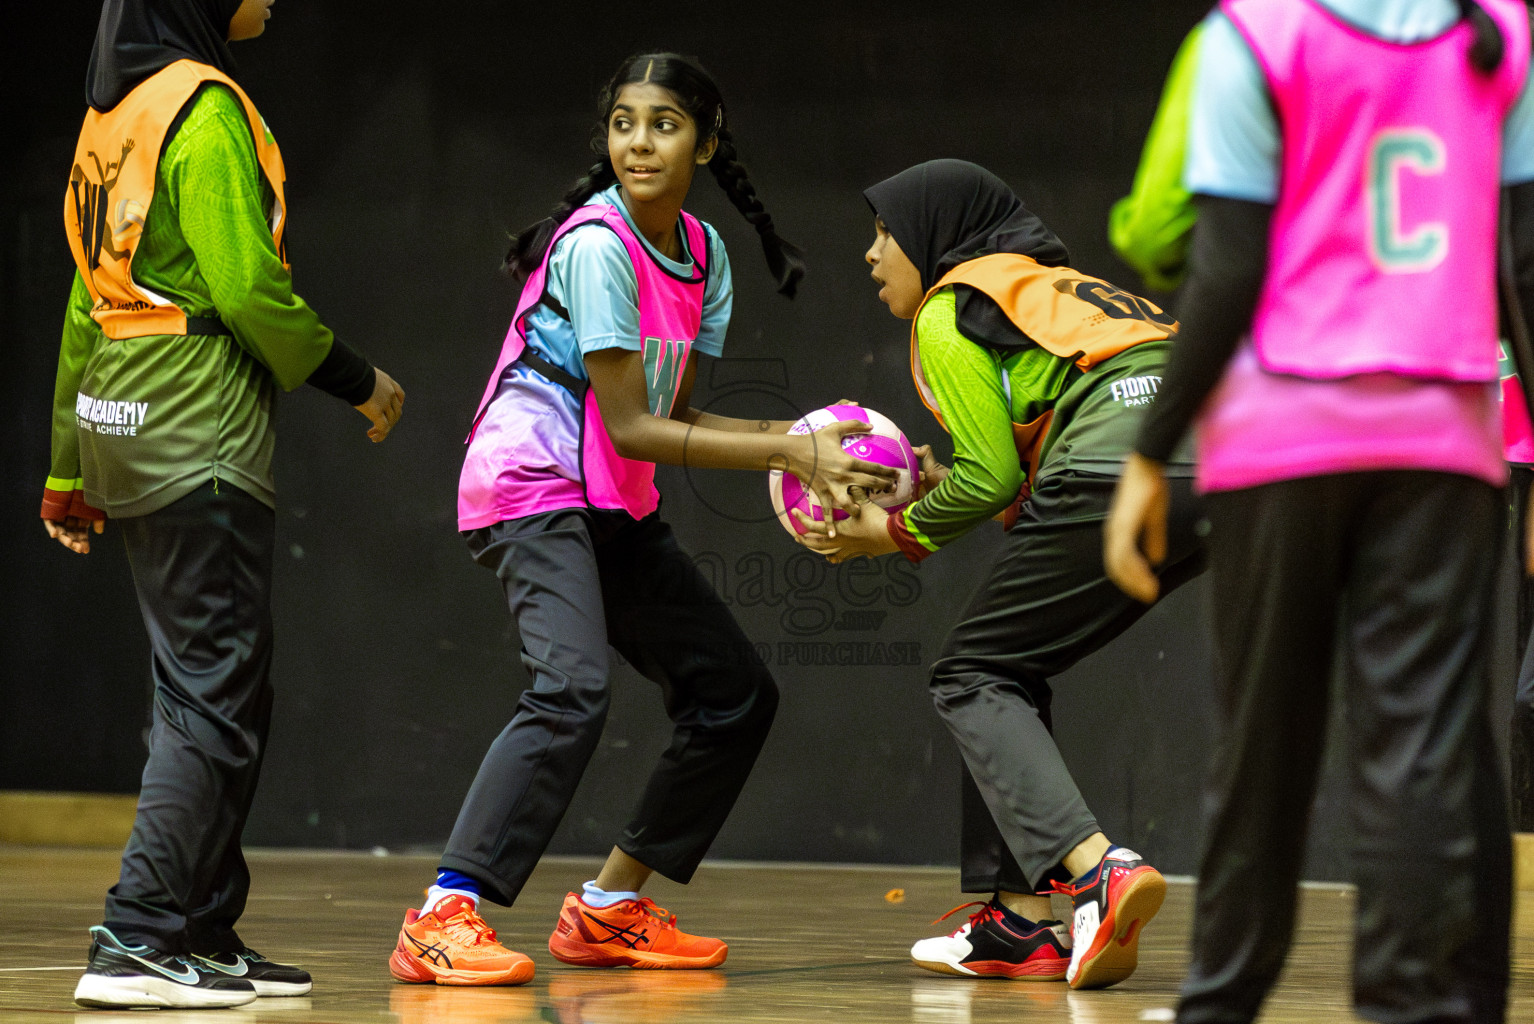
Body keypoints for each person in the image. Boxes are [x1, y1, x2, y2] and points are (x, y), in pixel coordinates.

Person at [386, 52, 897, 986]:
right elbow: (630, 421)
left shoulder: (704, 254)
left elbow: (677, 418)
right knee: (571, 686)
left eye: (663, 124)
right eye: (624, 123)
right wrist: (788, 451)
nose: (639, 143)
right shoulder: (595, 245)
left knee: (736, 694)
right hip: (531, 482)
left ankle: (611, 907)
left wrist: (810, 438)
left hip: (611, 496)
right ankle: (441, 914)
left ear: (705, 142)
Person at [1104, 0, 1534, 1020]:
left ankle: (1221, 1000)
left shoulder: (1249, 37)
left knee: (1262, 737)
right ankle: (1412, 1002)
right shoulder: (1505, 35)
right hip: (1442, 441)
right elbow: (1524, 266)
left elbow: (1225, 270)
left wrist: (1149, 452)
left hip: (1279, 439)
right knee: (1420, 748)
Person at [47, 0, 405, 1010]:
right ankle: (137, 932)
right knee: (212, 693)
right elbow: (248, 290)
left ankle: (200, 929)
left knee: (213, 693)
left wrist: (67, 468)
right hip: (190, 432)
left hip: (120, 424)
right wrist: (355, 377)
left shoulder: (111, 115)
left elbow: (87, 301)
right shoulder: (201, 110)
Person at [792, 159, 1203, 989]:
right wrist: (943, 484)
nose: (872, 256)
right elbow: (1026, 451)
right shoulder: (1052, 285)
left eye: (884, 233)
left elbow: (994, 480)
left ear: (932, 237)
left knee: (970, 673)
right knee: (1007, 669)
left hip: (1116, 469)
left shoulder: (948, 310)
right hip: (1222, 469)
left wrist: (895, 531)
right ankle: (1018, 924)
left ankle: (1097, 872)